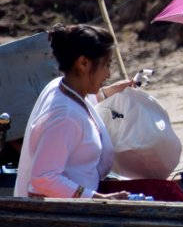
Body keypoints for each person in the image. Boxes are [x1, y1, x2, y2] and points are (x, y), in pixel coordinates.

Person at [14, 24, 136, 200]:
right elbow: (44, 178)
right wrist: (97, 198)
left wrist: (110, 91)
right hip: (64, 216)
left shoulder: (61, 87)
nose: (109, 73)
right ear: (83, 63)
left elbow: (84, 105)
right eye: (106, 65)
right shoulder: (64, 115)